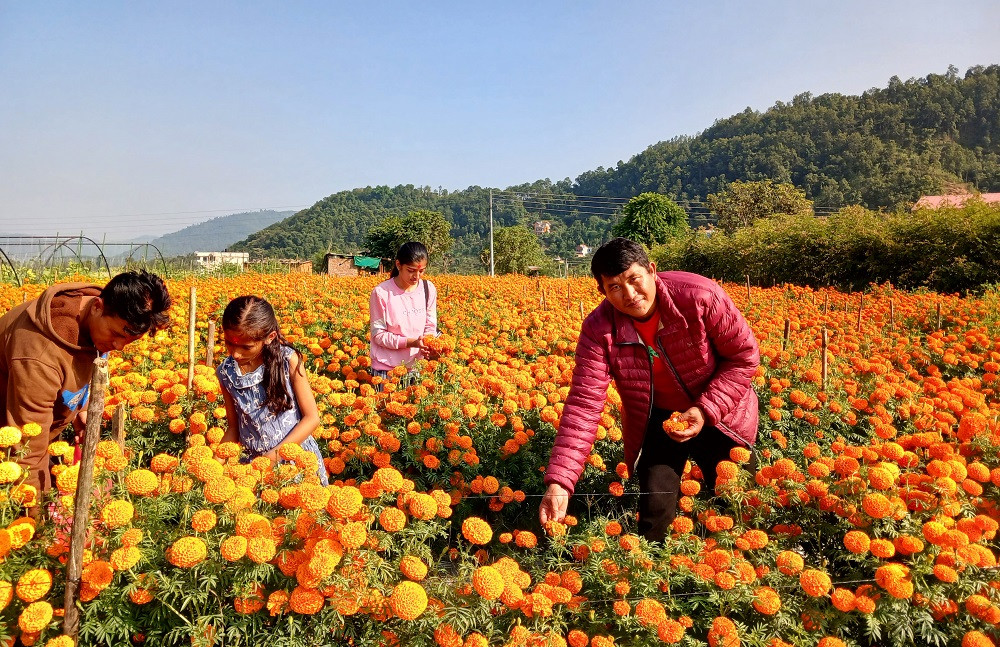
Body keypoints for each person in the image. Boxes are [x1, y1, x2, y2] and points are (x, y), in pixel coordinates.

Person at [539, 238, 760, 542]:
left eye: (634, 279)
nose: (629, 294)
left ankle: (738, 575)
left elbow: (743, 357)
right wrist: (560, 482)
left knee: (735, 503)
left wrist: (704, 409)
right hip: (658, 418)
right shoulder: (599, 330)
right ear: (603, 292)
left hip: (720, 411)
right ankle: (659, 580)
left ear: (652, 270)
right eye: (614, 287)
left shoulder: (700, 296)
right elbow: (583, 405)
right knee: (655, 515)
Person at [0, 270, 171, 494]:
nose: (119, 346)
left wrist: (80, 405)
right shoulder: (39, 355)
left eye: (129, 340)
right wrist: (35, 516)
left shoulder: (99, 312)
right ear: (97, 306)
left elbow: (85, 359)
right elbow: (26, 448)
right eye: (115, 334)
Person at [216, 295, 328, 485]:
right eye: (229, 342)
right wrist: (216, 464)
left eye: (246, 346)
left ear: (270, 337)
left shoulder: (288, 361)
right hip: (255, 468)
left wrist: (275, 456)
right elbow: (234, 428)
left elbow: (312, 418)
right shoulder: (226, 373)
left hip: (296, 460)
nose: (235, 353)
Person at [368, 241, 438, 384]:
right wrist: (412, 343)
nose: (416, 276)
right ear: (398, 265)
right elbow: (379, 335)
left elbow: (430, 325)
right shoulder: (381, 293)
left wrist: (427, 343)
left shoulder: (428, 289)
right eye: (411, 270)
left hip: (416, 369)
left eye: (421, 271)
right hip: (386, 370)